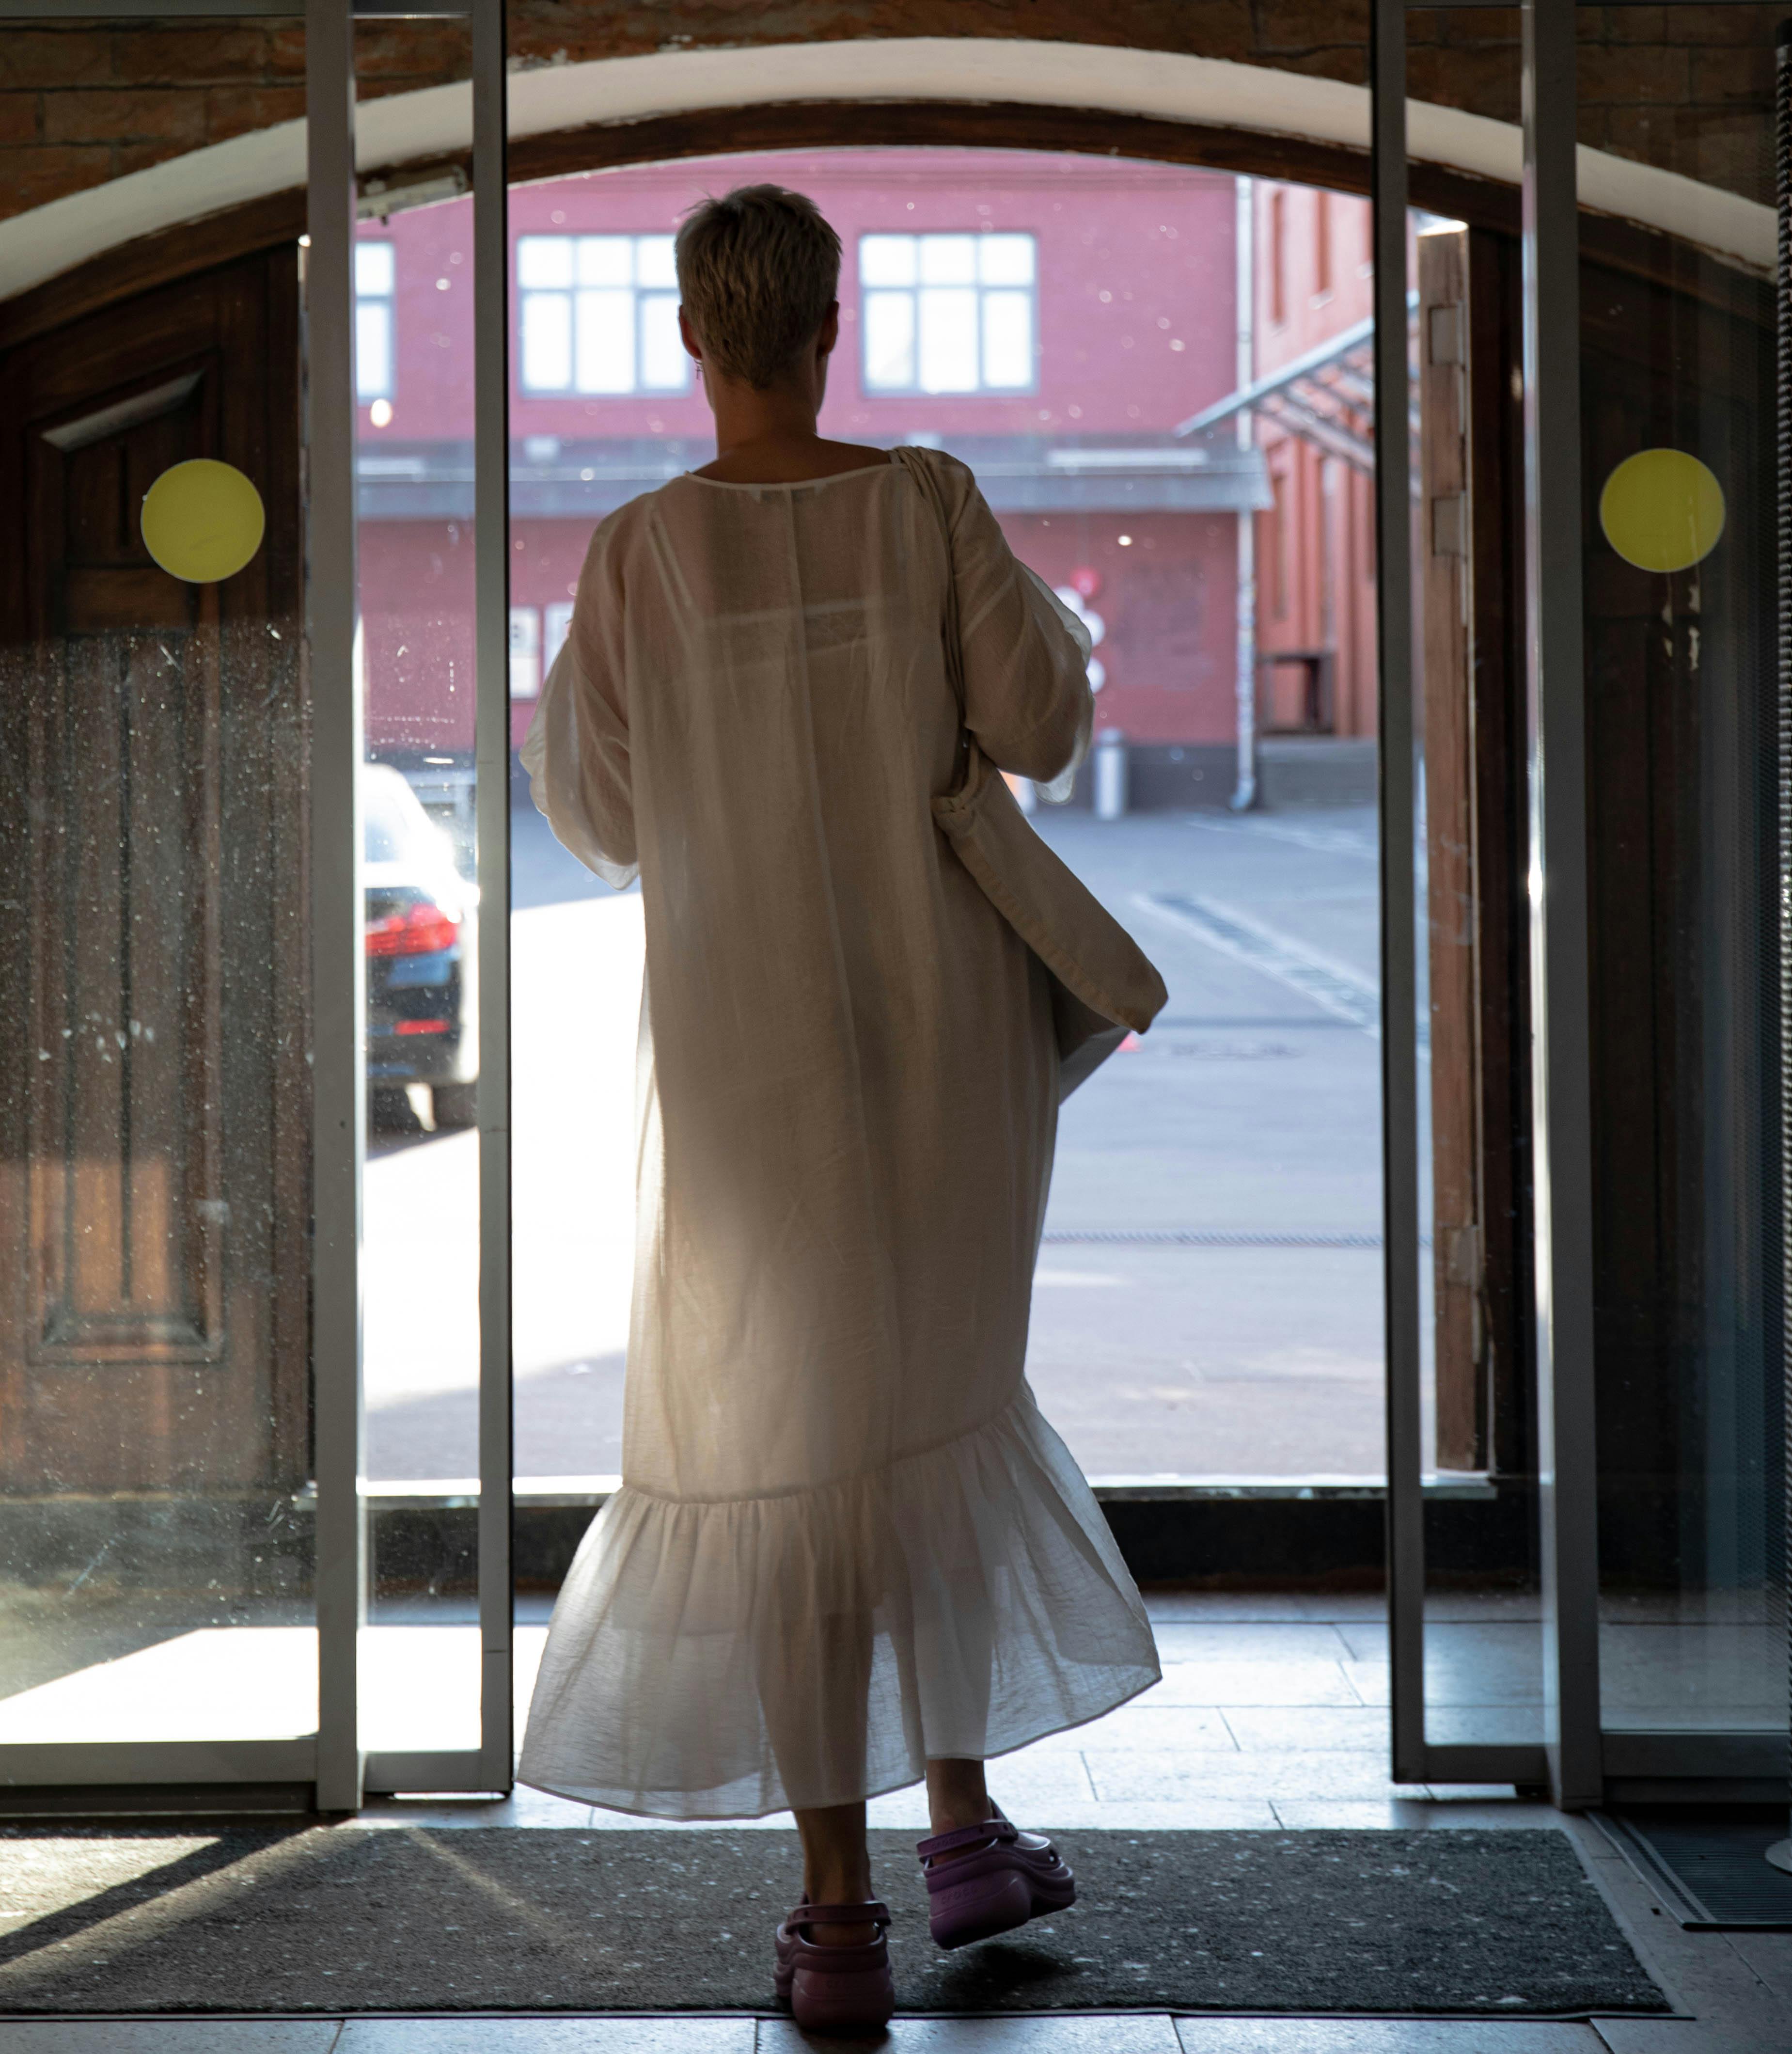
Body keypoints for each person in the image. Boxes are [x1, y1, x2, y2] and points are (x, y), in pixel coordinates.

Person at [518, 183, 1161, 2033]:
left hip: (743, 1056)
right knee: (929, 1404)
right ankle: (960, 1829)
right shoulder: (926, 501)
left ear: (689, 337)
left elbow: (600, 816)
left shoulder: (638, 552)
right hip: (945, 1036)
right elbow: (1042, 724)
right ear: (828, 327)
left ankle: (835, 1916)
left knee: (787, 1429)